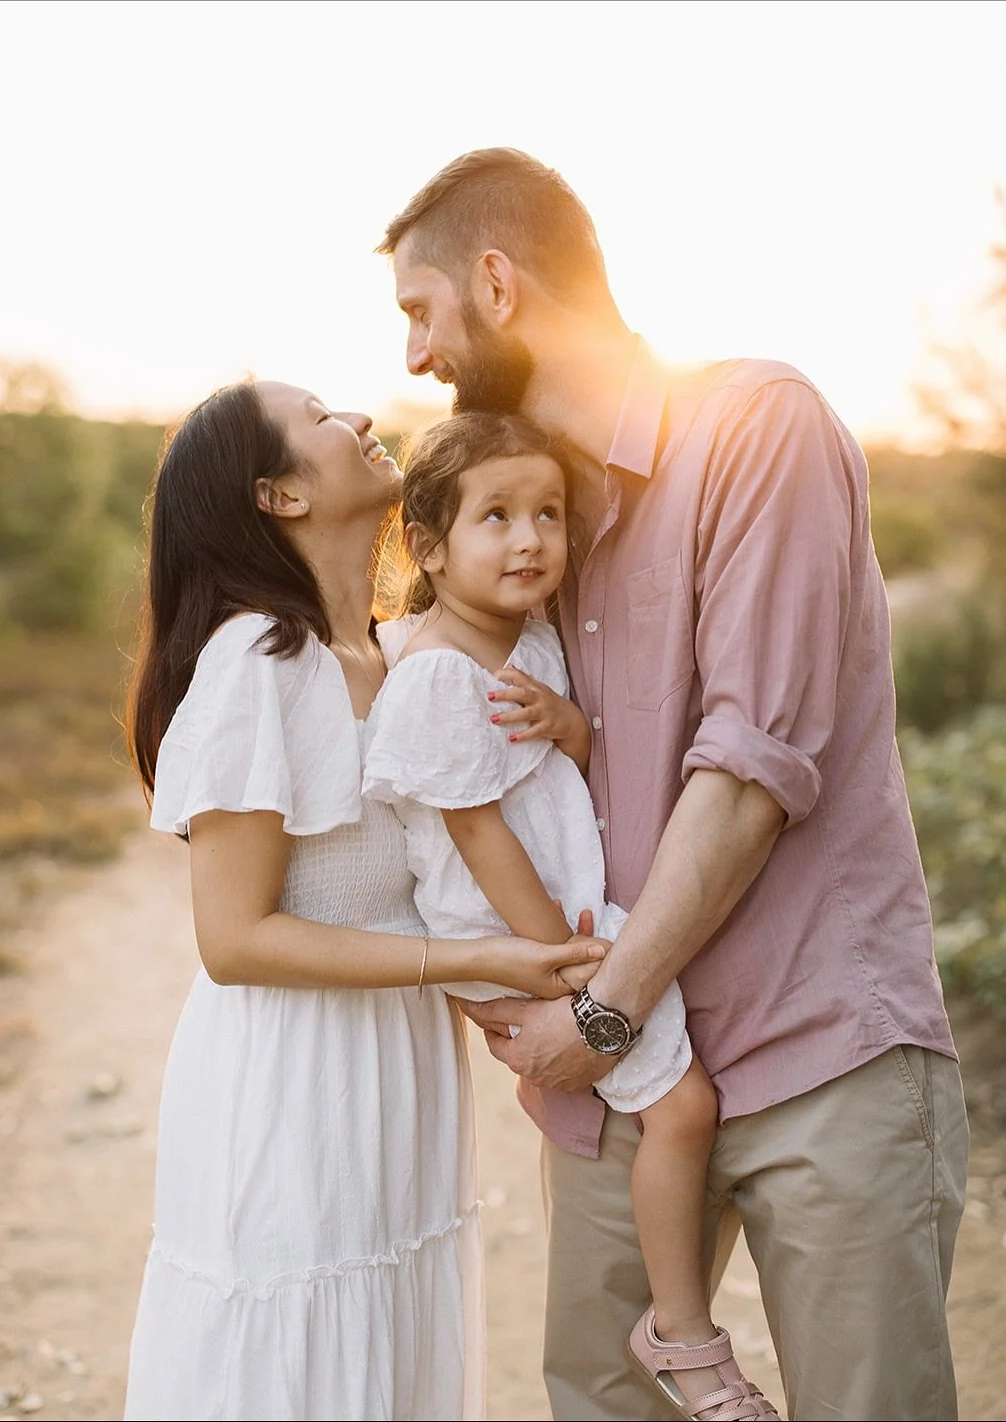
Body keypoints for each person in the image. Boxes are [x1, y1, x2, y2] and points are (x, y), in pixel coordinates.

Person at [376, 148, 970, 1422]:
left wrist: (599, 1016)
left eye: (420, 311)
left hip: (815, 1047)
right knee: (602, 1399)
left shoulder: (758, 428)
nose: (418, 354)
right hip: (626, 1085)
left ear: (495, 281)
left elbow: (749, 770)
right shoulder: (530, 516)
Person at [120, 378, 606, 1422]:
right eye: (322, 419)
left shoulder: (392, 652)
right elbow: (234, 939)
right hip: (297, 1077)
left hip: (396, 1065)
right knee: (301, 1355)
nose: (358, 418)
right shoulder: (260, 659)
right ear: (279, 494)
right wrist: (472, 965)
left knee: (389, 1346)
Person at [362, 410, 779, 1422]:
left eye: (546, 513)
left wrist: (573, 727)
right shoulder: (432, 678)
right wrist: (559, 962)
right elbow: (477, 833)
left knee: (662, 1098)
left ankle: (672, 1315)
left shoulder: (537, 642)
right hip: (515, 933)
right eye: (494, 516)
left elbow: (563, 786)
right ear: (426, 545)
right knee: (681, 1108)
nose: (528, 539)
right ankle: (679, 1335)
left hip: (558, 923)